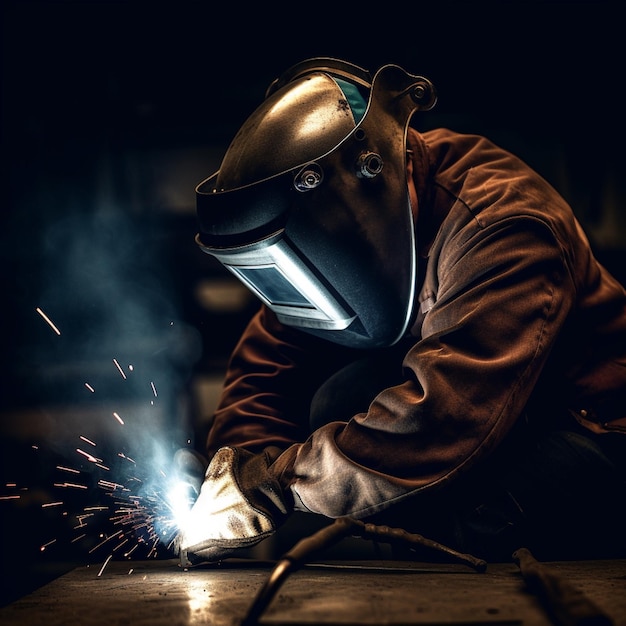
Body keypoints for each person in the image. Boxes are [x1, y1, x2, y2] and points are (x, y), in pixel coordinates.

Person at [176, 57, 626, 564]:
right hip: (501, 422)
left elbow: (443, 417)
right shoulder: (342, 245)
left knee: (477, 510)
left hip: (592, 435)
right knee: (341, 400)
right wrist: (239, 468)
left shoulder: (504, 228)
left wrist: (278, 485)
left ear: (367, 183)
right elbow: (272, 357)